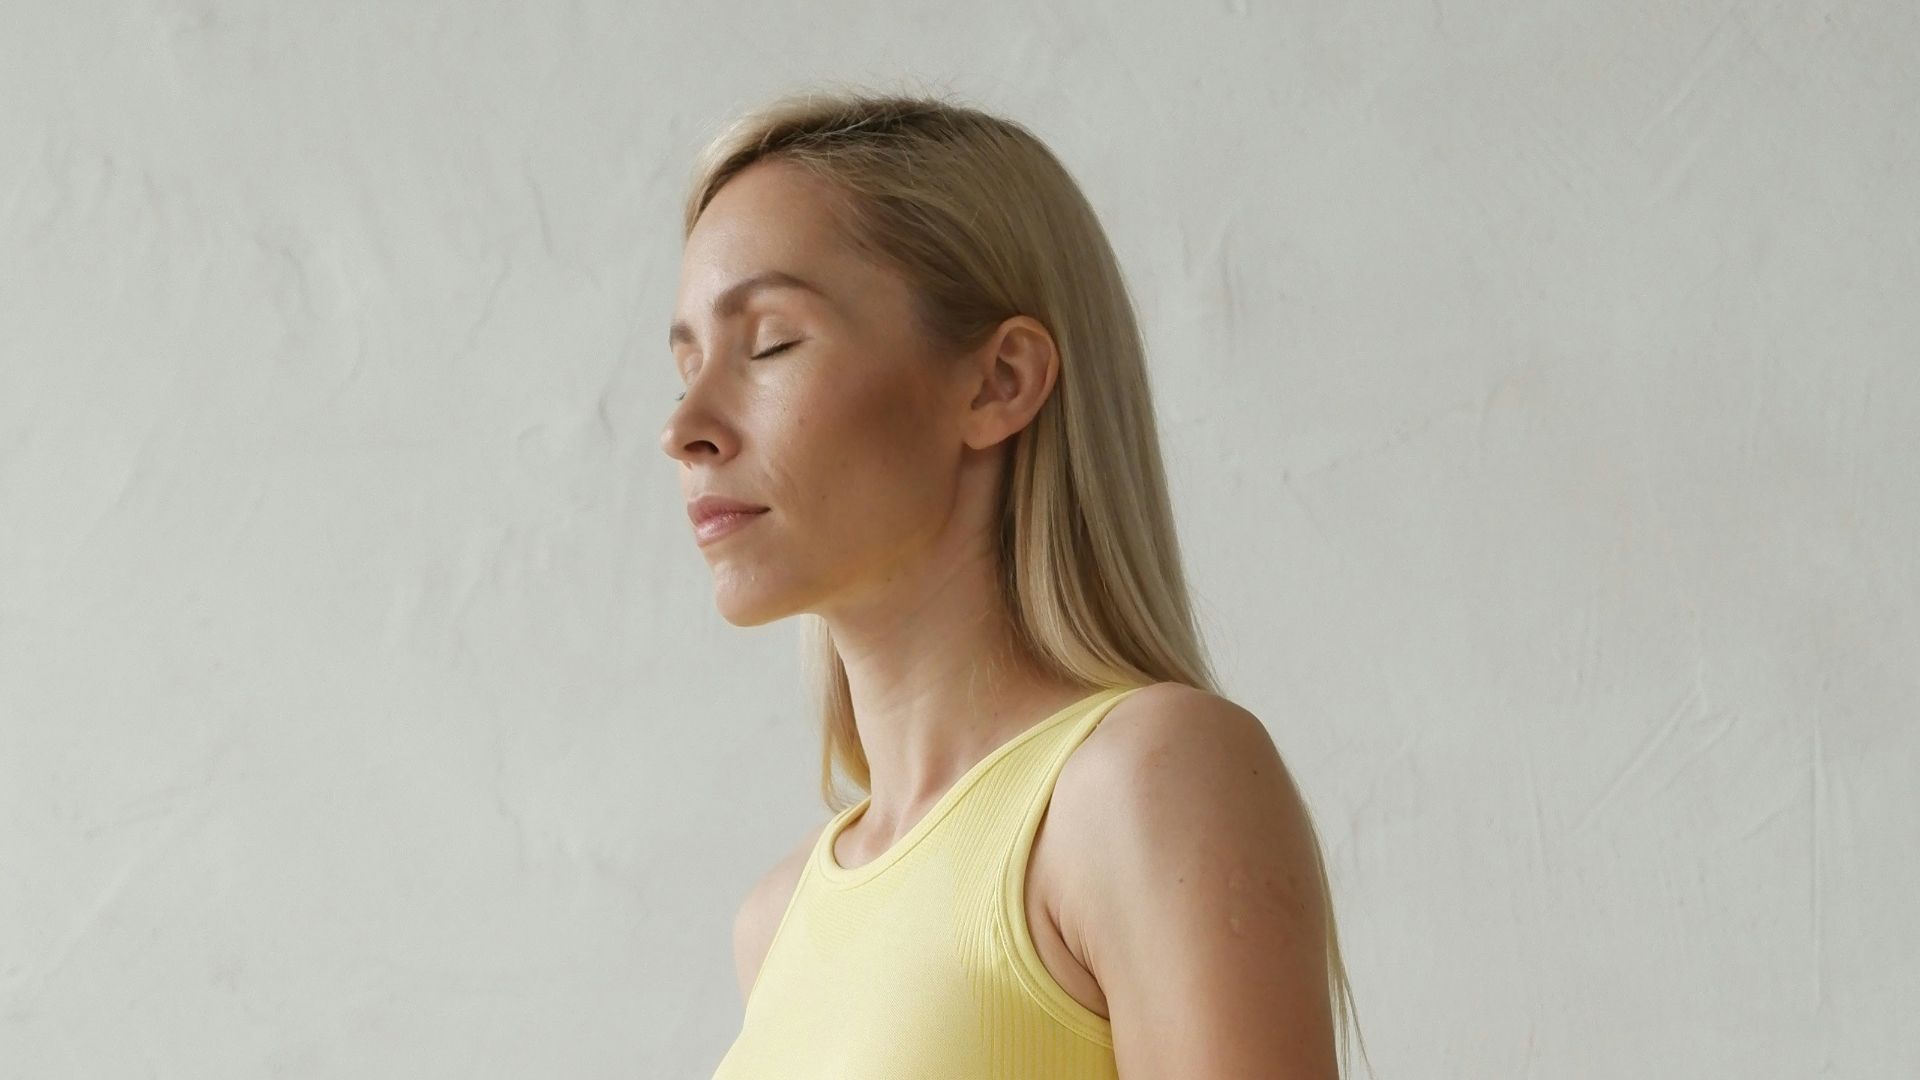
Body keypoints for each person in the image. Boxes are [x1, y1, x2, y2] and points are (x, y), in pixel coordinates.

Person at [662, 87, 1366, 1079]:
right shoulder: (777, 924)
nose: (685, 425)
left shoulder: (1144, 785)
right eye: (685, 362)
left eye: (770, 342)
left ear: (999, 382)